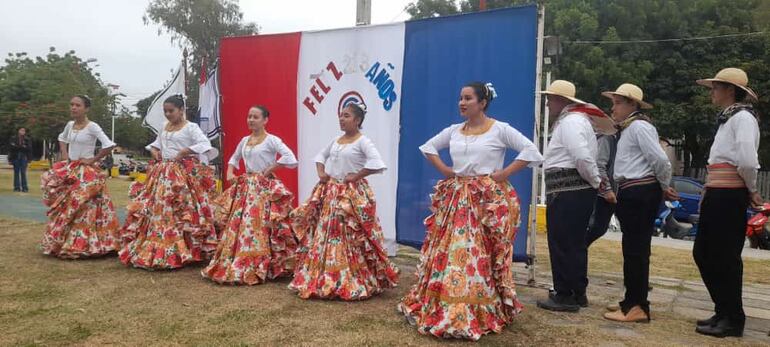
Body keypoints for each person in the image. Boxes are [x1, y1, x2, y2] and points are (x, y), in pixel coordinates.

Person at [398, 82, 543, 340]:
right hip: (457, 198)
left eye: (468, 98)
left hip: (485, 199)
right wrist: (445, 170)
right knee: (455, 250)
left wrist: (505, 173)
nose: (462, 103)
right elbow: (428, 147)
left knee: (481, 252)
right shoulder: (455, 131)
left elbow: (531, 151)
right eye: (460, 98)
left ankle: (478, 306)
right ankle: (450, 304)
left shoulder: (499, 129)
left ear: (482, 102)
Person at [289, 102, 399, 300]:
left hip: (350, 195)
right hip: (332, 193)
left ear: (357, 120)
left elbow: (377, 163)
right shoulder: (336, 141)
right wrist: (321, 173)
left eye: (347, 116)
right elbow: (320, 156)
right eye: (341, 115)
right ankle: (326, 277)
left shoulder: (363, 141)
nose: (342, 119)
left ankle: (349, 278)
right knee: (327, 234)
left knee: (347, 235)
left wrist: (356, 176)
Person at [692, 68, 761, 338]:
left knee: (725, 256)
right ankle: (723, 310)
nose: (712, 92)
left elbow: (746, 159)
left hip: (729, 193)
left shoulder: (743, 118)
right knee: (704, 253)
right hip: (718, 190)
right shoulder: (728, 118)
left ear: (730, 90)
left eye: (716, 87)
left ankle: (733, 317)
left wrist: (752, 189)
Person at [600, 83, 677, 323]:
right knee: (632, 249)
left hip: (639, 190)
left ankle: (638, 305)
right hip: (631, 190)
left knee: (636, 250)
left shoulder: (640, 126)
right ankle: (632, 300)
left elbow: (660, 160)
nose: (613, 108)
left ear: (632, 104)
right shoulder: (630, 128)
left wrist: (665, 186)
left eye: (618, 102)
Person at [119, 94, 219, 270]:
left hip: (181, 174)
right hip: (162, 173)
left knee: (183, 209)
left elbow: (205, 143)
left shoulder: (191, 127)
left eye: (171, 111)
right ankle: (159, 246)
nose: (168, 114)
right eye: (165, 111)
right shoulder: (165, 126)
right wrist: (154, 151)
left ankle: (187, 248)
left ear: (181, 110)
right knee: (159, 207)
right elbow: (156, 144)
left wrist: (185, 151)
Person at [201, 105, 298, 285]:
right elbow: (233, 158)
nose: (251, 120)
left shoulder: (272, 140)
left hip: (264, 187)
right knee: (242, 225)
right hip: (246, 187)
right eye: (249, 116)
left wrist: (271, 168)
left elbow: (290, 159)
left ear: (265, 120)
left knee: (263, 224)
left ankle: (268, 264)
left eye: (255, 117)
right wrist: (230, 172)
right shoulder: (245, 140)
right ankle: (241, 260)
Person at [536, 80, 605, 312]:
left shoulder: (571, 122)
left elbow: (581, 156)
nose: (547, 104)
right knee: (573, 243)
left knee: (562, 242)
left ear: (562, 101)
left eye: (550, 99)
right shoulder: (578, 120)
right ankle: (576, 292)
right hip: (573, 190)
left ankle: (565, 294)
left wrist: (595, 180)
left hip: (568, 191)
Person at [40, 95, 120, 258]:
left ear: (86, 108)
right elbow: (61, 138)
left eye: (77, 105)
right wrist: (64, 154)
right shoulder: (70, 125)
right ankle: (64, 242)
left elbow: (109, 145)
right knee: (65, 205)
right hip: (70, 168)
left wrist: (93, 159)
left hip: (86, 171)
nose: (73, 108)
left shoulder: (93, 127)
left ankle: (91, 245)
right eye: (72, 104)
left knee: (83, 206)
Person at [9, 127, 32, 192]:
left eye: (24, 130)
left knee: (23, 172)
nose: (23, 131)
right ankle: (16, 187)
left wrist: (29, 159)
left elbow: (29, 149)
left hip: (23, 157)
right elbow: (11, 148)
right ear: (18, 131)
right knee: (16, 172)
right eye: (21, 130)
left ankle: (24, 187)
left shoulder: (27, 139)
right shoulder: (13, 138)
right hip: (15, 156)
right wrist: (10, 159)